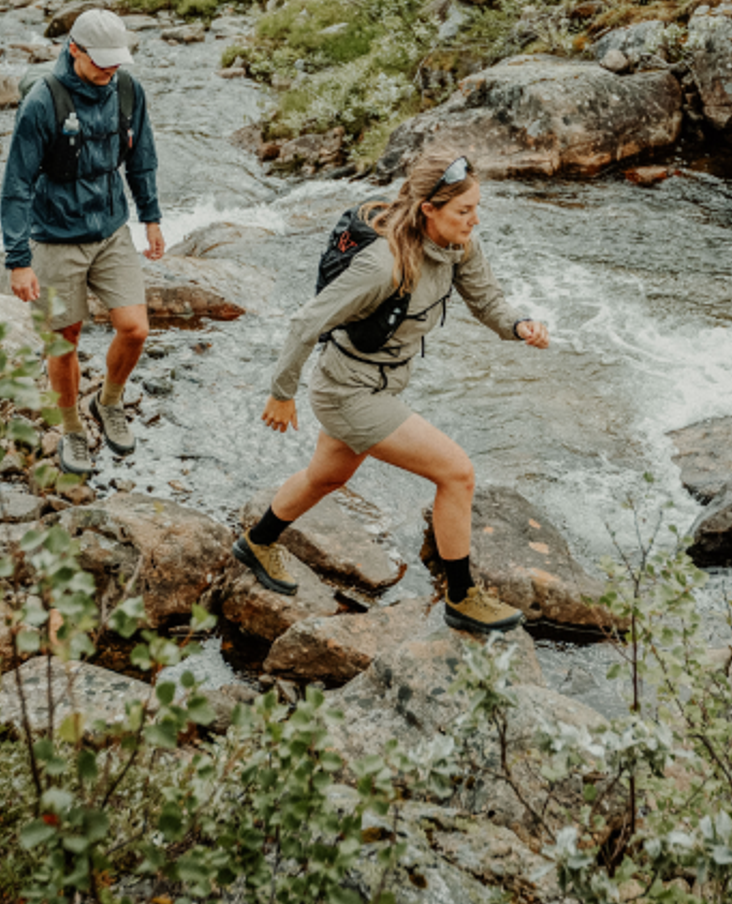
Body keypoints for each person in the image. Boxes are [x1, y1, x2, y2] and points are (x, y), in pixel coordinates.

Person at [235, 149, 550, 636]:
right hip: (349, 392)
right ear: (429, 209)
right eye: (464, 211)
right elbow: (306, 322)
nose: (474, 220)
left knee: (327, 476)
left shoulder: (458, 246)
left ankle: (257, 542)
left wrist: (519, 324)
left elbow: (487, 301)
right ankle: (462, 597)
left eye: (476, 209)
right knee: (457, 473)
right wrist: (282, 393)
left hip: (378, 383)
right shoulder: (383, 265)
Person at [0, 9, 165, 476]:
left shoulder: (128, 90)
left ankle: (107, 402)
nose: (110, 69)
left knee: (135, 328)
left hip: (111, 228)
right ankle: (72, 427)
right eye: (101, 61)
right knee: (64, 341)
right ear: (74, 49)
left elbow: (142, 159)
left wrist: (150, 217)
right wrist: (18, 260)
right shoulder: (42, 102)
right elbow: (16, 185)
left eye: (117, 60)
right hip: (54, 238)